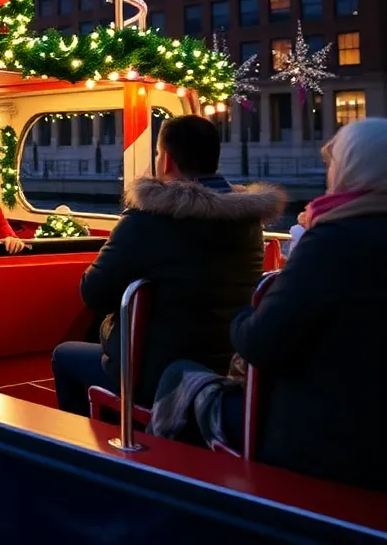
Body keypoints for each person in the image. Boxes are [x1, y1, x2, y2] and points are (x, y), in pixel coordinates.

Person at [50, 114, 285, 416]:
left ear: (167, 160)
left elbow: (93, 293)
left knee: (64, 355)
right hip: (224, 366)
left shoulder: (147, 219)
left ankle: (84, 447)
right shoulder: (248, 221)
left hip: (156, 375)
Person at [228, 117, 387, 490]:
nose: (328, 172)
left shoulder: (333, 240)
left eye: (333, 164)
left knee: (180, 380)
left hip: (326, 442)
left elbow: (261, 342)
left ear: (352, 168)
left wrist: (239, 314)